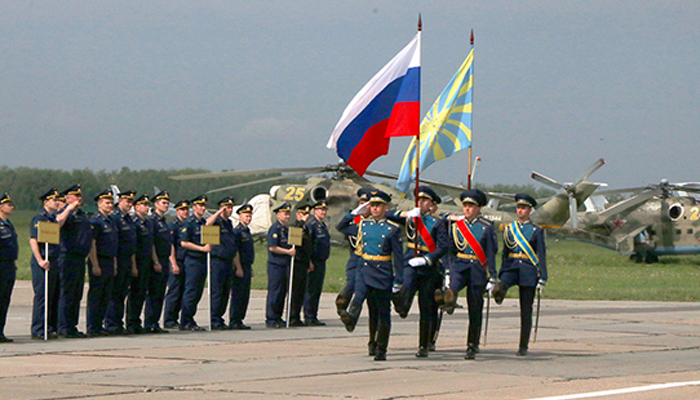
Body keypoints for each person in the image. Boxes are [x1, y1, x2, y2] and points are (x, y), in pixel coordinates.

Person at [340, 190, 403, 361]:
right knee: (358, 297)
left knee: (382, 313)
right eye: (372, 205)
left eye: (377, 206)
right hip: (365, 269)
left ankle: (381, 348)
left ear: (385, 208)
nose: (374, 209)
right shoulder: (363, 225)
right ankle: (351, 319)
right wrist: (353, 213)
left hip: (382, 272)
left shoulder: (392, 229)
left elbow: (398, 258)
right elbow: (342, 227)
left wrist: (398, 281)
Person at [391, 185, 448, 358]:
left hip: (428, 268)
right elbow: (386, 214)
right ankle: (401, 306)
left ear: (431, 204)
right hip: (410, 263)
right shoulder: (411, 217)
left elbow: (444, 246)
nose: (420, 203)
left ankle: (424, 345)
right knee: (404, 288)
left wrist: (428, 259)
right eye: (418, 200)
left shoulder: (437, 222)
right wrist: (406, 214)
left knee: (426, 307)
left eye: (424, 200)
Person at [442, 189, 497, 359]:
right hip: (459, 266)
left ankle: (472, 345)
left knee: (475, 308)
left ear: (479, 208)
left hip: (477, 268)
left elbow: (491, 252)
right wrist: (448, 271)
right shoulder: (456, 226)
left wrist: (492, 276)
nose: (467, 209)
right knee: (453, 289)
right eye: (465, 205)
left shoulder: (486, 227)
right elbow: (450, 251)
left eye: (471, 206)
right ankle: (448, 299)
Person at [492, 193, 548, 357]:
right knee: (502, 284)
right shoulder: (510, 228)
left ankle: (523, 345)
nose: (520, 211)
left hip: (528, 269)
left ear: (530, 210)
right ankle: (499, 293)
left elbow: (541, 255)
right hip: (511, 267)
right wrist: (501, 272)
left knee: (526, 310)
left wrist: (543, 277)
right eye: (518, 208)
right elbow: (505, 253)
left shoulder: (536, 230)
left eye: (523, 208)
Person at [55, 184, 92, 338]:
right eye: (75, 196)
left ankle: (72, 325)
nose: (79, 199)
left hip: (79, 258)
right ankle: (63, 326)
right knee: (67, 293)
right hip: (67, 257)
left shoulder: (81, 215)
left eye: (79, 196)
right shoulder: (65, 214)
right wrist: (68, 208)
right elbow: (56, 224)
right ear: (68, 198)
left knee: (77, 294)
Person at [86, 189, 119, 337]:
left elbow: (114, 244)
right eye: (107, 202)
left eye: (111, 202)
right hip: (99, 260)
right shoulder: (95, 221)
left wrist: (115, 263)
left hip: (110, 261)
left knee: (106, 296)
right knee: (96, 296)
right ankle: (92, 326)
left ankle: (100, 325)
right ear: (99, 204)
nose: (110, 205)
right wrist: (95, 264)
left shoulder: (111, 221)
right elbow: (92, 244)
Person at [29, 188, 61, 340]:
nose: (57, 202)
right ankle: (38, 328)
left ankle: (49, 326)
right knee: (42, 295)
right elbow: (33, 240)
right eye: (54, 200)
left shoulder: (52, 219)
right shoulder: (39, 218)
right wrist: (40, 260)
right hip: (43, 260)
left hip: (53, 259)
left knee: (52, 295)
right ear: (46, 201)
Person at [106, 190, 137, 335]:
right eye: (127, 201)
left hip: (127, 260)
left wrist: (133, 264)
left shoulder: (128, 219)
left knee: (122, 293)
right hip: (117, 259)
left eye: (131, 202)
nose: (129, 204)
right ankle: (112, 324)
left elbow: (131, 244)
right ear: (120, 201)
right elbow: (113, 242)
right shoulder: (115, 218)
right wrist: (115, 263)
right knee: (115, 294)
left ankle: (118, 323)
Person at [179, 195, 211, 331]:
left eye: (204, 206)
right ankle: (185, 320)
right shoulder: (189, 223)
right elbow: (184, 242)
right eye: (200, 206)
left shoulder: (204, 223)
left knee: (198, 292)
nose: (203, 208)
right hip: (193, 260)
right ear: (194, 207)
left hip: (203, 261)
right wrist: (201, 248)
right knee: (191, 292)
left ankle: (190, 318)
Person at [205, 196, 236, 330]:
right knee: (216, 291)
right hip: (216, 260)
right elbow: (206, 224)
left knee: (225, 292)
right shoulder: (216, 221)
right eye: (226, 207)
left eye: (230, 207)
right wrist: (219, 212)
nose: (229, 210)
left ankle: (219, 317)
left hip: (228, 261)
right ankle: (214, 318)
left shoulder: (228, 223)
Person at [144, 190, 172, 334]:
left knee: (160, 293)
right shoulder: (152, 221)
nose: (166, 205)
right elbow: (152, 243)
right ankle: (149, 323)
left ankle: (155, 322)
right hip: (156, 261)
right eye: (163, 202)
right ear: (156, 204)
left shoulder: (163, 222)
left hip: (164, 260)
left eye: (167, 203)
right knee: (153, 293)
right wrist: (155, 261)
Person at [126, 194, 154, 334]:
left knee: (142, 293)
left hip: (147, 261)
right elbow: (133, 245)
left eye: (148, 205)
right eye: (144, 205)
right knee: (135, 293)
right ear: (137, 207)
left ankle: (137, 321)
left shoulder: (148, 223)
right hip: (137, 261)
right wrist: (134, 265)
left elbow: (151, 244)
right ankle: (131, 322)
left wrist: (154, 261)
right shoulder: (134, 222)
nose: (147, 207)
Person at [265, 202, 295, 328]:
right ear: (278, 215)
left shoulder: (286, 230)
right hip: (276, 264)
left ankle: (278, 316)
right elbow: (273, 247)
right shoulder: (275, 229)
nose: (287, 216)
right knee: (275, 292)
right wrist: (288, 252)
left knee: (282, 292)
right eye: (284, 213)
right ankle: (271, 318)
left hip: (285, 265)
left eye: (288, 213)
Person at [163, 199, 189, 329]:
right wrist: (173, 264)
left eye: (186, 210)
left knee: (184, 291)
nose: (185, 212)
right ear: (177, 211)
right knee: (174, 291)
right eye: (182, 210)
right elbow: (171, 245)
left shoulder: (188, 225)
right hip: (177, 261)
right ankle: (169, 319)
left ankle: (176, 318)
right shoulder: (173, 226)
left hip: (187, 261)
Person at [304, 200, 331, 326]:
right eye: (320, 210)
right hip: (313, 262)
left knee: (317, 289)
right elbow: (308, 246)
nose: (323, 212)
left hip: (321, 262)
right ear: (315, 211)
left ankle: (313, 315)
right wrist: (308, 261)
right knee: (311, 289)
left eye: (324, 210)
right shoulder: (312, 226)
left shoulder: (322, 226)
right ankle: (309, 316)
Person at [229, 203, 254, 330]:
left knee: (245, 295)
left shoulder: (247, 231)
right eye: (246, 215)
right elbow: (235, 251)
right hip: (241, 266)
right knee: (238, 294)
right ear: (239, 216)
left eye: (250, 215)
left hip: (247, 266)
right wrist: (238, 267)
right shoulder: (237, 232)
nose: (248, 217)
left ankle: (240, 319)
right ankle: (234, 319)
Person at [288, 203, 311, 327]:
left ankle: (296, 315)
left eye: (307, 214)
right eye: (303, 214)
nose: (306, 217)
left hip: (304, 263)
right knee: (295, 291)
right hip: (296, 263)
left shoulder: (306, 228)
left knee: (301, 291)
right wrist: (301, 222)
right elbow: (294, 243)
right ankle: (292, 316)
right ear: (298, 214)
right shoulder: (296, 227)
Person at [0, 193, 17, 343]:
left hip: (9, 265)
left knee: (5, 299)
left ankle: (0, 331)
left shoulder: (8, 224)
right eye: (8, 204)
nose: (11, 207)